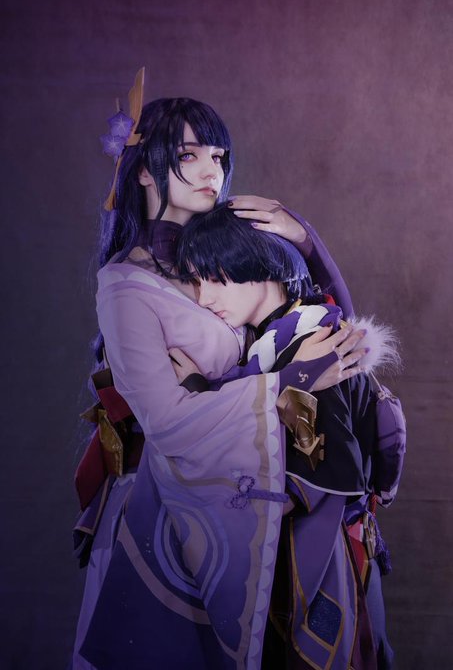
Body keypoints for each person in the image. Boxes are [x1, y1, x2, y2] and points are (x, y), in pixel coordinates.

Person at [72, 70, 369, 670]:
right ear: (145, 170)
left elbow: (332, 330)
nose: (213, 170)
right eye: (189, 155)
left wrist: (306, 242)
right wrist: (289, 381)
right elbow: (167, 421)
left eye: (218, 155)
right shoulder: (124, 287)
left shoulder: (223, 241)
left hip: (272, 489)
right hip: (178, 510)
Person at [175, 204, 402, 669]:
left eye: (214, 279)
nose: (203, 297)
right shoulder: (276, 341)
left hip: (318, 549)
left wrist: (201, 393)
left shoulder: (315, 339)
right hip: (303, 541)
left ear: (256, 263)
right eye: (196, 282)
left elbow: (321, 473)